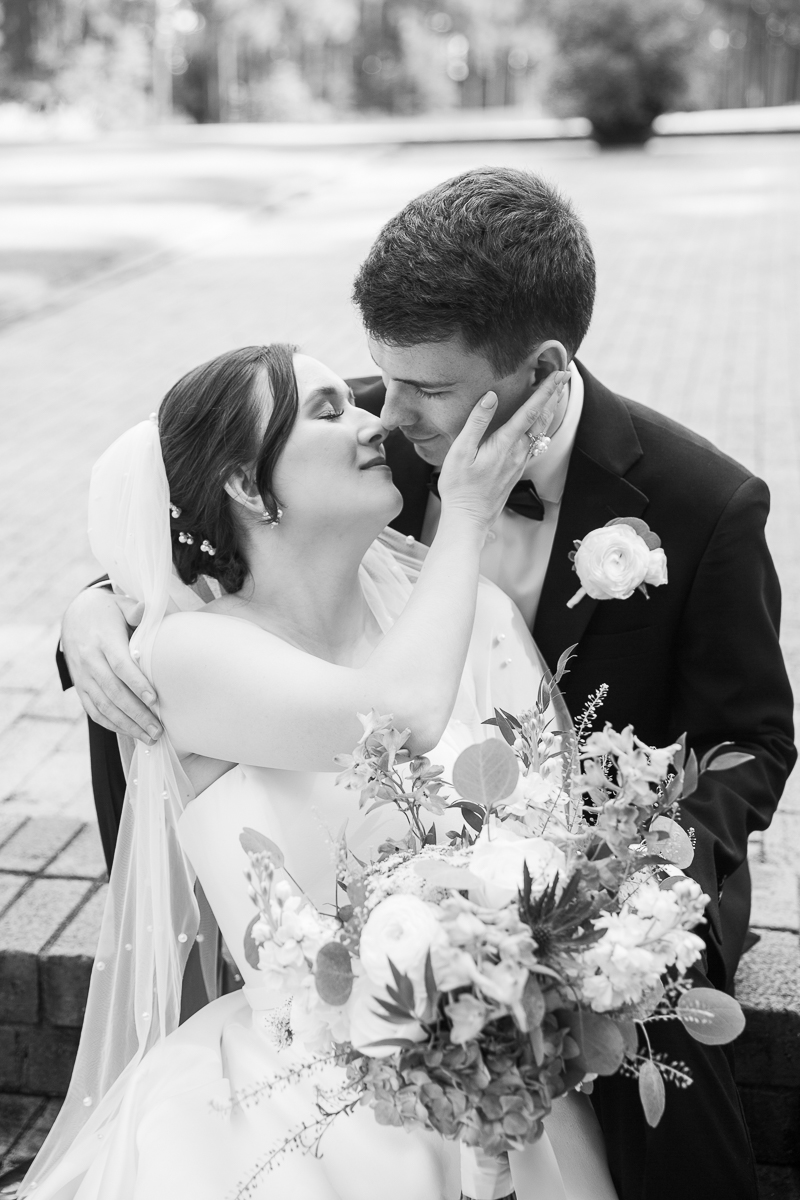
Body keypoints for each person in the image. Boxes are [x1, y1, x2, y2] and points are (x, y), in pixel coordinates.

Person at [59, 169, 796, 1200]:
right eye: (376, 380)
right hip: (343, 989)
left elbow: (751, 739)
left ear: (536, 368)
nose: (387, 412)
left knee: (687, 1145)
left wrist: (638, 892)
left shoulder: (699, 503)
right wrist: (93, 601)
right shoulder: (367, 452)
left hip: (601, 907)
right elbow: (192, 537)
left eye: (424, 388)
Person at [26, 346, 618, 1200]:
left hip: (501, 1070)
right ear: (245, 483)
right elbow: (398, 722)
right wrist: (469, 514)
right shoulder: (185, 654)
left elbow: (558, 833)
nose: (377, 421)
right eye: (332, 409)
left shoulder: (461, 615)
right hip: (295, 1119)